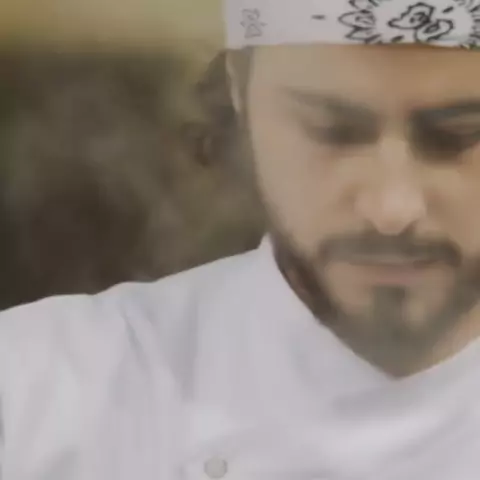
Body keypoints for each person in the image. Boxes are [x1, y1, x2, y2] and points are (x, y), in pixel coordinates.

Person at [2, 0, 480, 478]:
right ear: (239, 91)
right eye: (330, 131)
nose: (392, 210)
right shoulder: (37, 392)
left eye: (459, 136)